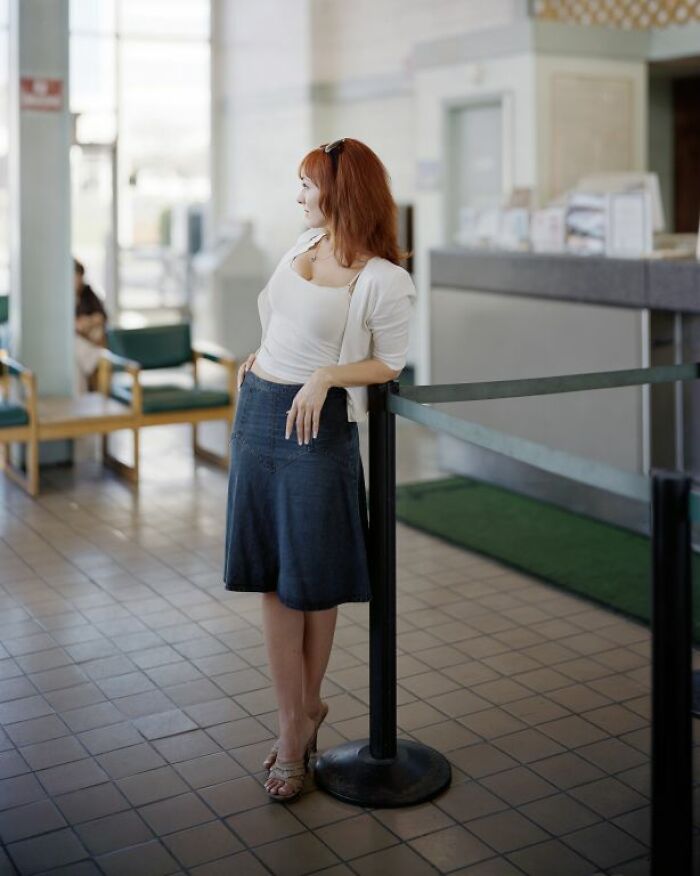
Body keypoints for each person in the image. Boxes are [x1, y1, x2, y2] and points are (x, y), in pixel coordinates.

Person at [223, 138, 416, 801]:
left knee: (313, 579)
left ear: (341, 191)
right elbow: (280, 322)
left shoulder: (384, 279)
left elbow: (389, 363)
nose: (298, 196)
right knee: (274, 579)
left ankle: (302, 715)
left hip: (316, 428)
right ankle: (293, 724)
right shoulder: (295, 250)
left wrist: (326, 375)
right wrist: (260, 358)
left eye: (307, 186)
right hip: (259, 416)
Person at [74, 258, 108, 392]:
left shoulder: (87, 292)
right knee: (74, 354)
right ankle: (98, 360)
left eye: (79, 277)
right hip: (79, 341)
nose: (78, 280)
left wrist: (88, 321)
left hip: (91, 339)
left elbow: (102, 316)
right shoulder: (61, 296)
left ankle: (81, 394)